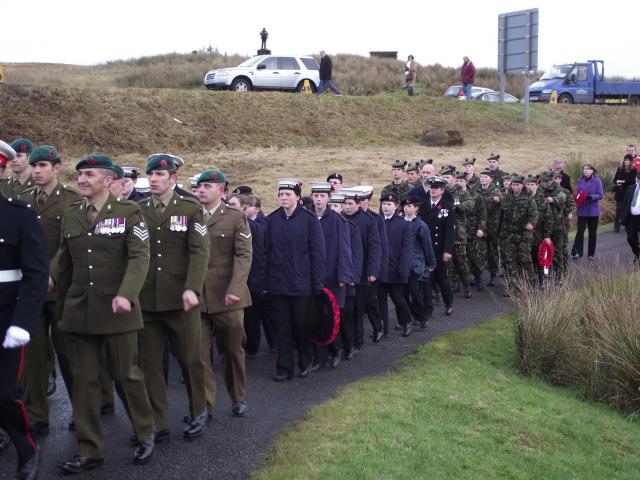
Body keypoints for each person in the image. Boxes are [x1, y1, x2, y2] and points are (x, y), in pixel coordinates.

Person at [55, 154, 156, 473]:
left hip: (117, 311)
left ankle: (145, 432)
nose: (82, 179)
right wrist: (51, 287)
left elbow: (140, 258)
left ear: (109, 180)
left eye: (90, 174)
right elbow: (65, 262)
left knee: (127, 375)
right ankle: (90, 449)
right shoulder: (72, 215)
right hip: (80, 311)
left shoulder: (130, 212)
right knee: (84, 381)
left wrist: (127, 295)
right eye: (80, 174)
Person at [137, 154, 210, 439]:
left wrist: (193, 288)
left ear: (173, 178)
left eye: (159, 175)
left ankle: (197, 410)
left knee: (190, 359)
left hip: (181, 299)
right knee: (149, 364)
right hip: (147, 300)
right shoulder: (138, 209)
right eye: (151, 175)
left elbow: (200, 251)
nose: (154, 179)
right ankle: (158, 420)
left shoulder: (190, 208)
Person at [19, 145, 82, 437]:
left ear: (57, 168)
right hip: (31, 291)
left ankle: (82, 413)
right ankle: (36, 414)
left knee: (69, 355)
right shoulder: (21, 200)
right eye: (34, 166)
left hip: (62, 290)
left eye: (43, 165)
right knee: (33, 357)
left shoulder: (72, 200)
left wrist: (51, 274)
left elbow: (71, 243)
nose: (37, 170)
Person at [0, 139, 49, 480]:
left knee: (4, 393)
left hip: (5, 319)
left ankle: (27, 448)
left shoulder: (19, 216)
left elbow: (36, 274)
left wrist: (23, 323)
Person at [197, 169, 253, 414]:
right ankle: (203, 405)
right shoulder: (190, 215)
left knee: (232, 352)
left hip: (228, 298)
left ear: (220, 190)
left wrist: (235, 289)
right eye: (199, 187)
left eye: (207, 187)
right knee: (197, 356)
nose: (201, 190)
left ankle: (237, 397)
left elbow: (243, 256)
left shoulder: (235, 217)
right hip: (197, 298)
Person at [266, 179, 326, 381]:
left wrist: (317, 283)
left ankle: (304, 360)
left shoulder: (309, 220)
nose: (283, 198)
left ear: (298, 197)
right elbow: (266, 253)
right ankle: (284, 368)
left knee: (301, 325)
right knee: (282, 328)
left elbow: (318, 253)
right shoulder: (272, 220)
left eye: (288, 194)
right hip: (278, 284)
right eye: (281, 194)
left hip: (302, 284)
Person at [309, 181, 353, 368]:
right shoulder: (307, 217)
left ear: (328, 198)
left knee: (333, 316)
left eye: (322, 196)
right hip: (311, 276)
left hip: (332, 275)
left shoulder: (337, 220)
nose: (319, 199)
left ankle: (336, 351)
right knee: (315, 316)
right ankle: (319, 356)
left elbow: (345, 249)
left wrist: (344, 275)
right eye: (316, 196)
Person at [341, 188, 383, 350]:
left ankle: (357, 341)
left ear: (358, 204)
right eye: (345, 203)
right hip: (345, 272)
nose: (347, 207)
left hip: (363, 272)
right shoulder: (340, 219)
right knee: (346, 309)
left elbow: (374, 248)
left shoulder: (368, 221)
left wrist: (373, 272)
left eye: (351, 204)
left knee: (358, 309)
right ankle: (347, 341)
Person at [378, 193, 413, 336]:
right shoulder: (377, 221)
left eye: (389, 204)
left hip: (396, 269)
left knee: (398, 298)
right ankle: (383, 328)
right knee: (380, 300)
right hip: (380, 269)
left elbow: (407, 248)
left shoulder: (403, 224)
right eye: (384, 204)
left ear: (396, 206)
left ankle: (407, 321)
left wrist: (403, 269)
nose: (385, 207)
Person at [422, 177, 455, 316]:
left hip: (440, 248)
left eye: (436, 188)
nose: (433, 190)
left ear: (442, 190)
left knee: (442, 278)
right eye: (431, 187)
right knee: (427, 280)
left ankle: (449, 303)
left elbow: (450, 230)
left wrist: (447, 250)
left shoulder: (447, 207)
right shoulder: (423, 206)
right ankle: (427, 308)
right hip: (426, 248)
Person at [500, 175, 538, 295]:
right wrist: (501, 232)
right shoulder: (507, 198)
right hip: (510, 233)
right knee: (511, 260)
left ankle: (532, 282)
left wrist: (531, 223)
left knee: (525, 259)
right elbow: (503, 215)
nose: (515, 187)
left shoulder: (528, 198)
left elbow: (534, 213)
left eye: (517, 185)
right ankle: (514, 287)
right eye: (513, 185)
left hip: (524, 233)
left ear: (522, 185)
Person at [571, 163, 604, 260]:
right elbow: (578, 193)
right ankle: (577, 252)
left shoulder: (597, 181)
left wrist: (590, 196)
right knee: (580, 231)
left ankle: (591, 254)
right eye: (584, 169)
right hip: (582, 210)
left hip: (593, 210)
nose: (585, 170)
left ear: (592, 171)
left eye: (588, 169)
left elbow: (601, 195)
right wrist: (576, 198)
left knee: (592, 233)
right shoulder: (580, 181)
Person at [620, 169, 640, 263]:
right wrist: (623, 216)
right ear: (636, 178)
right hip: (632, 218)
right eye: (638, 178)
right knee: (631, 238)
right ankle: (637, 253)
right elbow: (625, 203)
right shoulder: (631, 188)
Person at [613, 154, 637, 232]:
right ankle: (616, 226)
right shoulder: (620, 169)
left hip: (629, 192)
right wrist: (617, 182)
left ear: (631, 161)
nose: (626, 162)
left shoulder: (634, 170)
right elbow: (615, 179)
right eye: (625, 160)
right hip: (620, 192)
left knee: (627, 209)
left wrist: (624, 182)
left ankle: (627, 225)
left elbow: (633, 181)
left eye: (628, 160)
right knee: (619, 209)